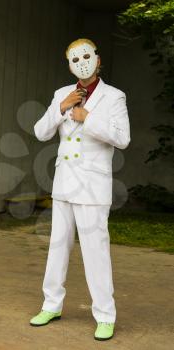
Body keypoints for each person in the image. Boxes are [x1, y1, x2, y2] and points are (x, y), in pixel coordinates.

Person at [30, 38, 131, 341]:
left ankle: (105, 315)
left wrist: (88, 118)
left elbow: (122, 138)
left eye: (87, 56)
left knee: (95, 252)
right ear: (69, 64)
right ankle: (51, 305)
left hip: (93, 185)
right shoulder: (62, 93)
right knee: (57, 248)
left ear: (98, 60)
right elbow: (40, 132)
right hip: (64, 183)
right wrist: (61, 108)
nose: (82, 62)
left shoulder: (114, 97)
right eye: (75, 59)